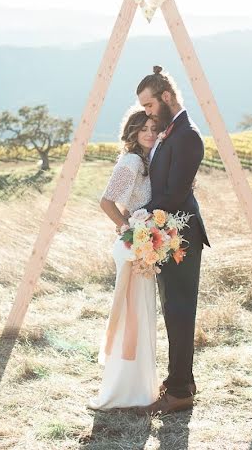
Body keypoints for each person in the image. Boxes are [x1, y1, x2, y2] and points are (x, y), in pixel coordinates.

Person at [136, 65, 210, 415]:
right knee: (172, 309)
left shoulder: (188, 135)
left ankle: (180, 391)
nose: (146, 113)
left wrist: (138, 218)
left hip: (180, 238)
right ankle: (182, 379)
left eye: (149, 105)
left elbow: (175, 194)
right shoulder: (171, 131)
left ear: (166, 97)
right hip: (166, 233)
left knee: (180, 312)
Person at [87, 107, 160, 410]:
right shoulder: (131, 161)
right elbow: (106, 202)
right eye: (143, 127)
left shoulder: (149, 161)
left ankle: (141, 386)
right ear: (132, 131)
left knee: (142, 315)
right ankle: (125, 390)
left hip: (144, 247)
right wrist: (128, 229)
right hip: (132, 247)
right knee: (133, 316)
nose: (149, 133)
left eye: (154, 128)